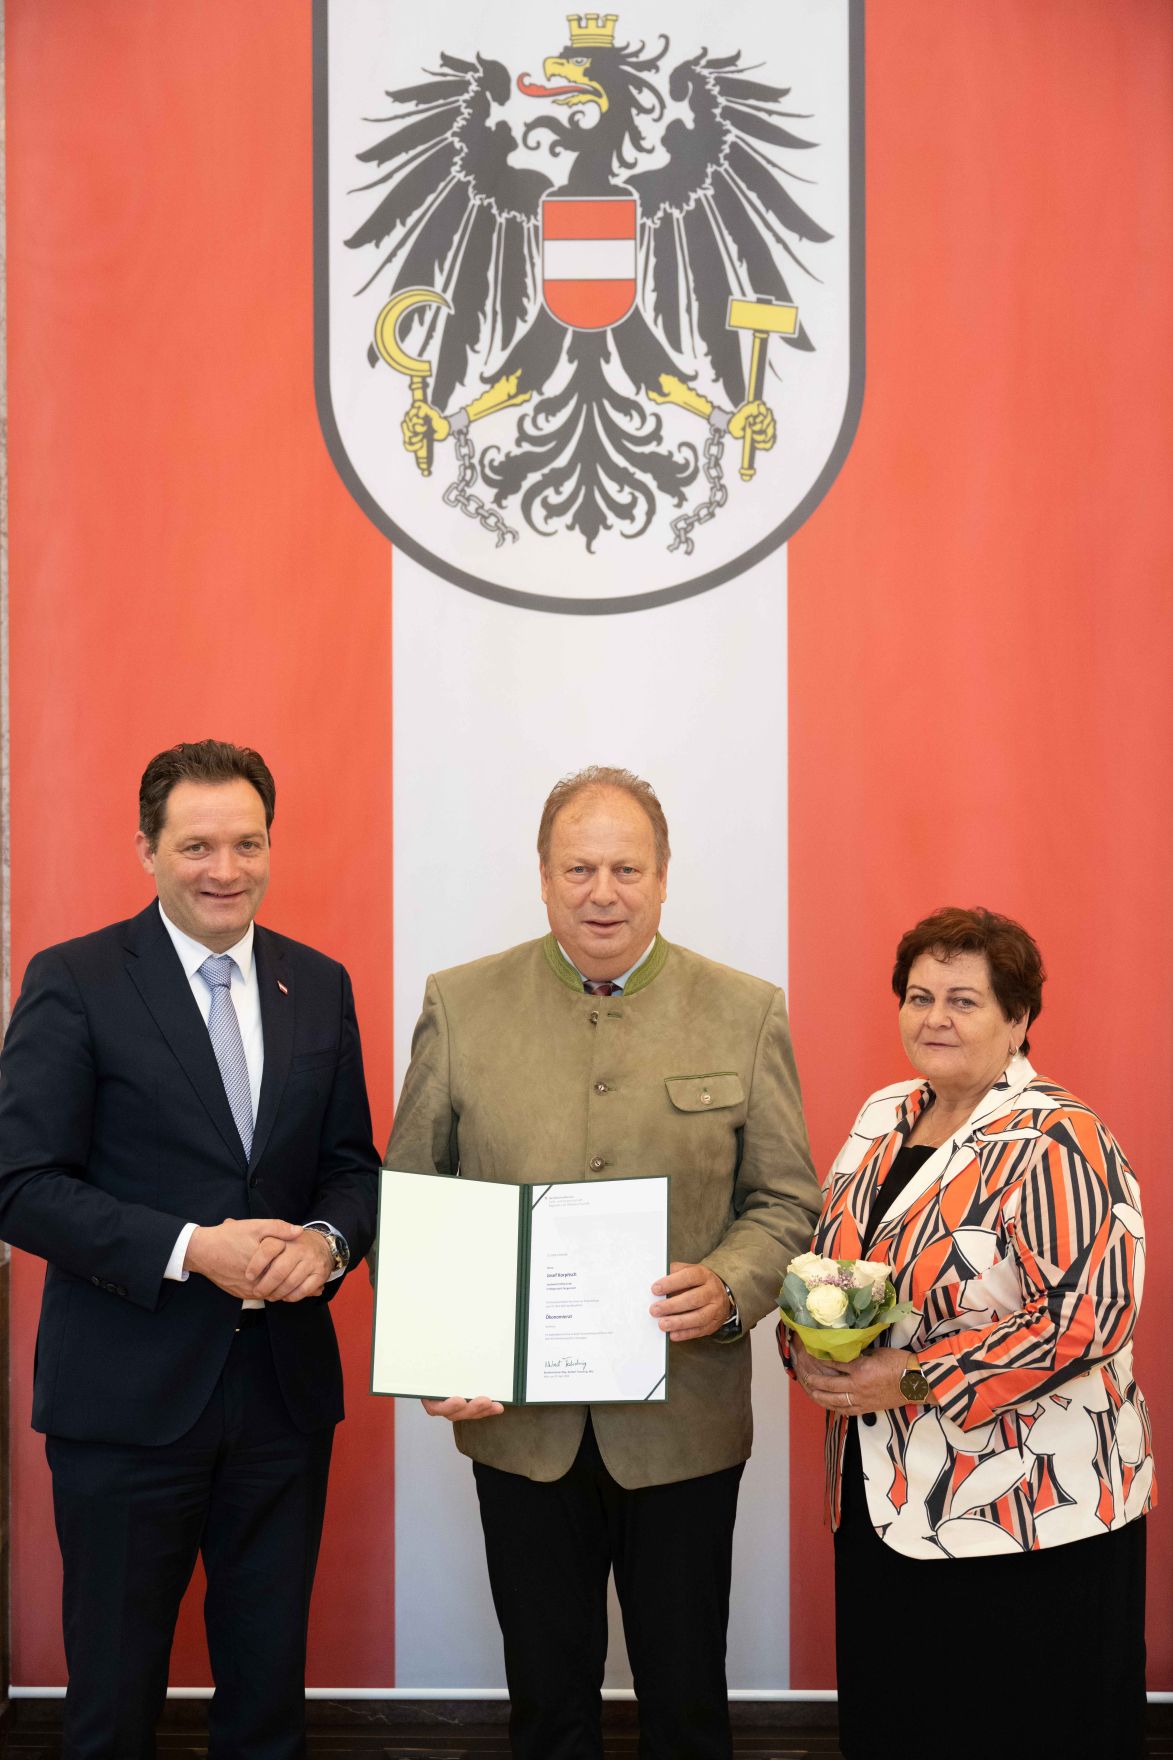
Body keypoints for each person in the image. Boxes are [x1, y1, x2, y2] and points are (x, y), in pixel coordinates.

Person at [384, 764, 821, 1760]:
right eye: (579, 866)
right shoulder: (462, 1003)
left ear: (665, 878)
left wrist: (729, 1286)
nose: (603, 890)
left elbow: (788, 1197)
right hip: (519, 1428)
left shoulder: (745, 1009)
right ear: (542, 877)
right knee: (546, 1705)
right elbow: (415, 1199)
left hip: (687, 1422)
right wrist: (435, 1349)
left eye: (628, 866)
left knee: (687, 1705)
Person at [0, 740, 380, 1760]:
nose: (226, 868)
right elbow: (21, 1184)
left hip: (281, 1400)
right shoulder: (75, 980)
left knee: (267, 1703)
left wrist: (329, 1240)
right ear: (146, 849)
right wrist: (187, 1247)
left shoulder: (319, 983)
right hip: (125, 1403)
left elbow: (353, 1166)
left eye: (247, 842)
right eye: (198, 844)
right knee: (114, 1704)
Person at [786, 907, 1154, 1760]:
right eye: (918, 996)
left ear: (1018, 1020)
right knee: (907, 1721)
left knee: (1017, 1728)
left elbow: (1088, 1314)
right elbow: (830, 1261)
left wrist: (912, 1379)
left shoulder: (1060, 1137)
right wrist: (807, 1343)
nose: (933, 1018)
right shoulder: (884, 1116)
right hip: (883, 1494)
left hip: (1030, 1511)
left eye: (963, 1000)